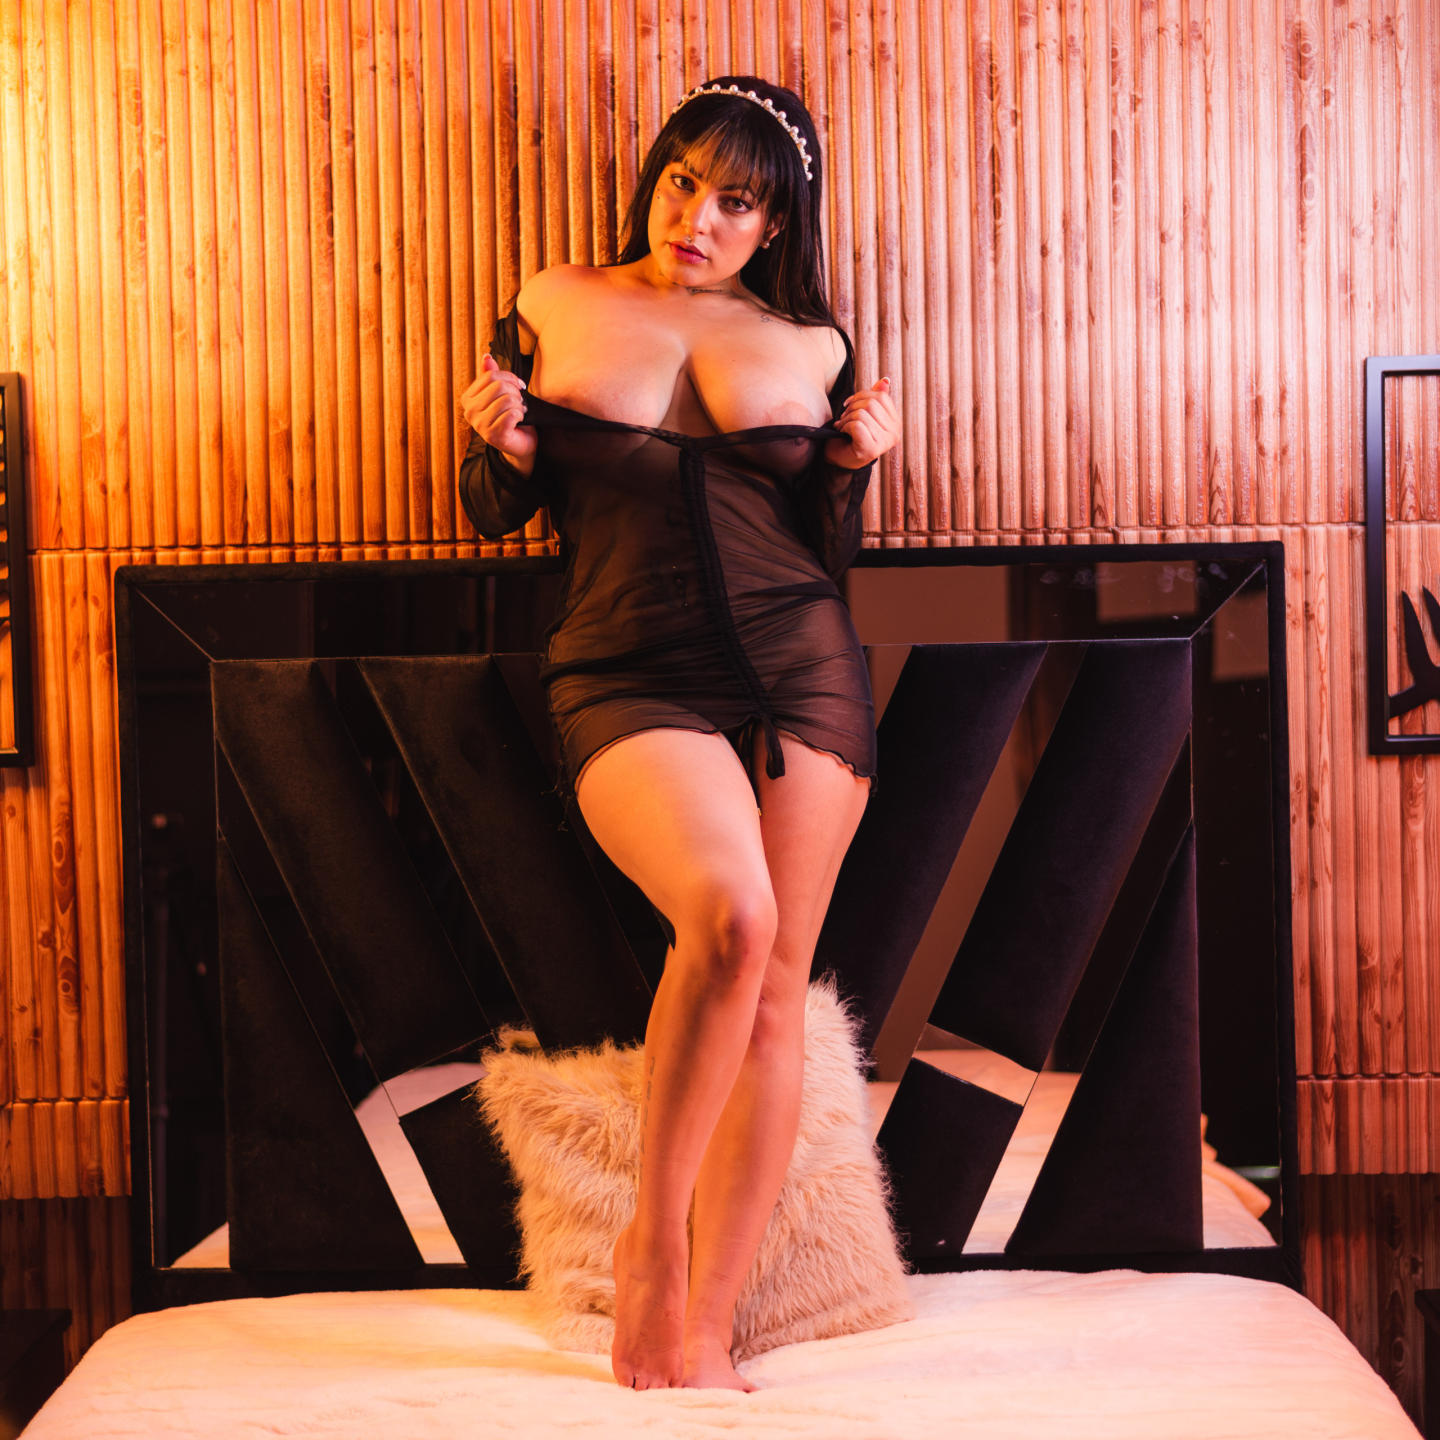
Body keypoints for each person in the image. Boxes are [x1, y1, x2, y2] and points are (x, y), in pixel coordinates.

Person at [458, 75, 900, 1392]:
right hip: (625, 666)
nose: (698, 218)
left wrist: (850, 468)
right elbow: (496, 510)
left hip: (801, 664)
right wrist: (503, 451)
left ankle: (708, 1325)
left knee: (775, 991)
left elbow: (826, 549)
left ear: (775, 224)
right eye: (682, 182)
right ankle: (653, 1244)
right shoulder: (555, 299)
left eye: (736, 202)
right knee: (732, 915)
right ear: (654, 178)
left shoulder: (814, 343)